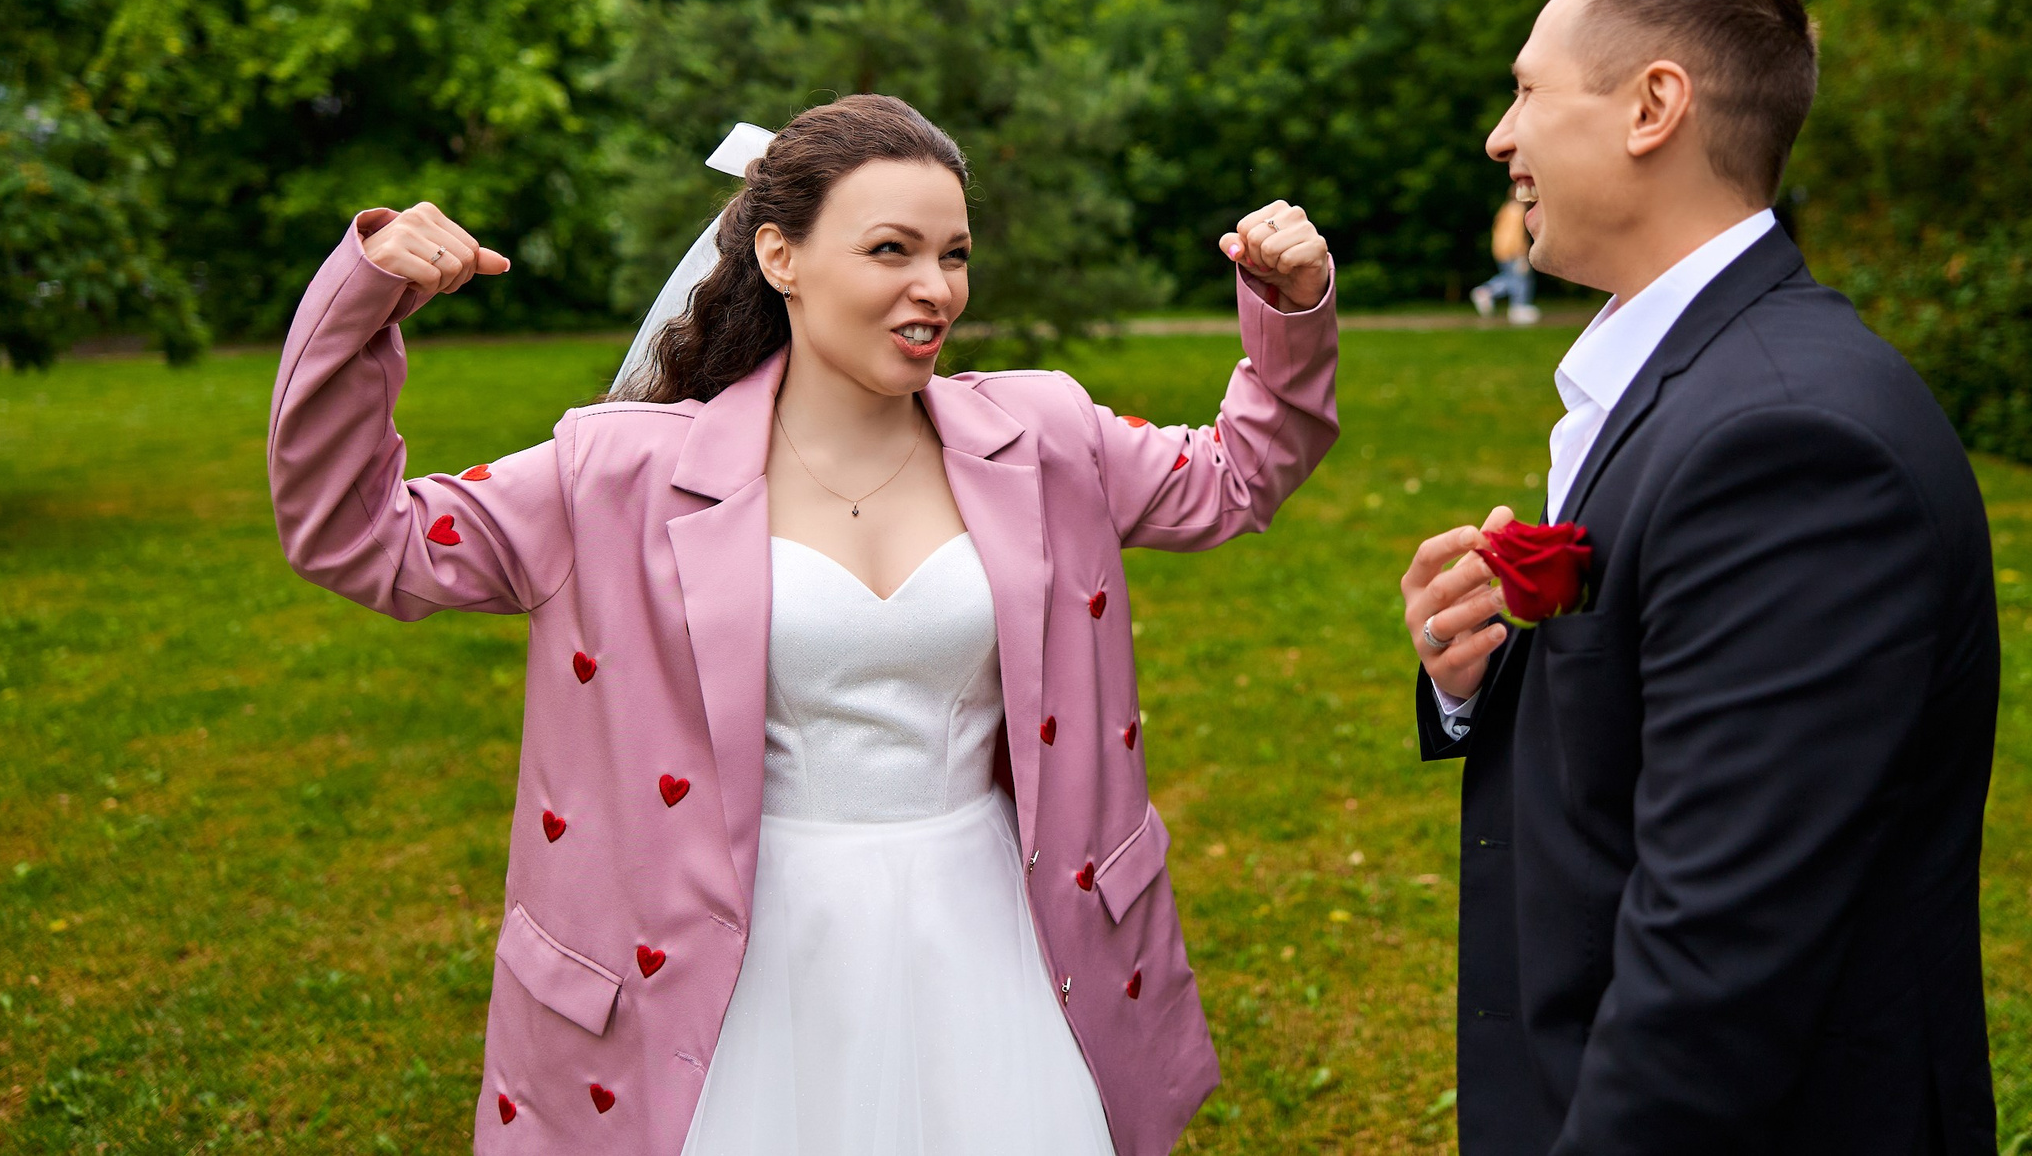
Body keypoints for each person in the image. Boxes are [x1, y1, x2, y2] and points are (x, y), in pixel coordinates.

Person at [267, 94, 1340, 1156]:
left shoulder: (1043, 433)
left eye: (954, 255)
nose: (935, 289)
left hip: (995, 937)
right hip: (726, 968)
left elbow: (1238, 476)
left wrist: (1291, 306)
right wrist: (362, 303)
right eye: (890, 250)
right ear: (780, 256)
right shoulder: (618, 476)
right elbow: (358, 536)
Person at [1396, 0, 1999, 1153]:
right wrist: (1488, 686)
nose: (1498, 135)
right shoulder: (1708, 376)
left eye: (1523, 90)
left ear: (1651, 105)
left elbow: (1722, 961)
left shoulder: (1790, 445)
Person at [1469, 198, 1540, 324]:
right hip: (1512, 251)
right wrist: (1521, 253)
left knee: (1510, 278)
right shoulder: (1517, 210)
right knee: (1520, 279)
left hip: (1501, 249)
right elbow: (1516, 234)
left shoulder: (1506, 208)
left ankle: (1486, 291)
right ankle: (1518, 308)